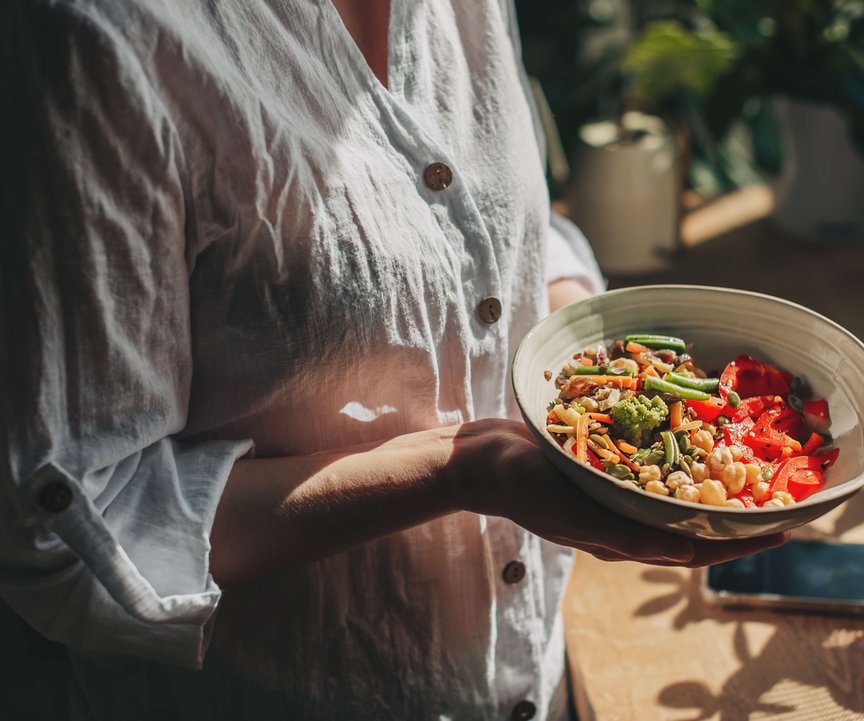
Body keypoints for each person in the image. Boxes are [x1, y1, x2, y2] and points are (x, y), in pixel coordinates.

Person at [0, 1, 787, 718]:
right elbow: (71, 523)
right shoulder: (100, 33)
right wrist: (459, 469)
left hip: (539, 675)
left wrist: (600, 357)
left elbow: (490, 226)